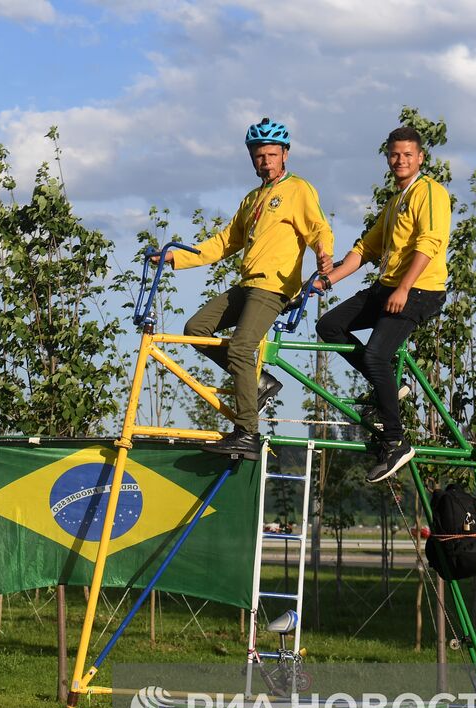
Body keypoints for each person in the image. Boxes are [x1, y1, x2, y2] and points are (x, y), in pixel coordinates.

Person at [154, 118, 333, 460]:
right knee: (196, 329)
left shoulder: (298, 189)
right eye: (259, 156)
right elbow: (225, 242)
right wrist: (174, 259)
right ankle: (260, 383)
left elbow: (318, 228)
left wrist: (324, 253)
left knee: (239, 348)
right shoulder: (252, 198)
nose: (265, 162)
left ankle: (248, 433)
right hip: (248, 284)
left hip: (274, 286)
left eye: (271, 155)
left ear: (285, 154)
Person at [316, 125, 451, 483]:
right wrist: (326, 280)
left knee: (375, 354)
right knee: (328, 326)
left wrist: (404, 288)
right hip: (388, 286)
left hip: (420, 289)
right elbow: (364, 249)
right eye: (394, 154)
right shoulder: (395, 202)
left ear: (420, 158)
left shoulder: (430, 193)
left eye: (408, 154)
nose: (400, 160)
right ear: (387, 158)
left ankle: (396, 441)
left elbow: (430, 242)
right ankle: (390, 382)